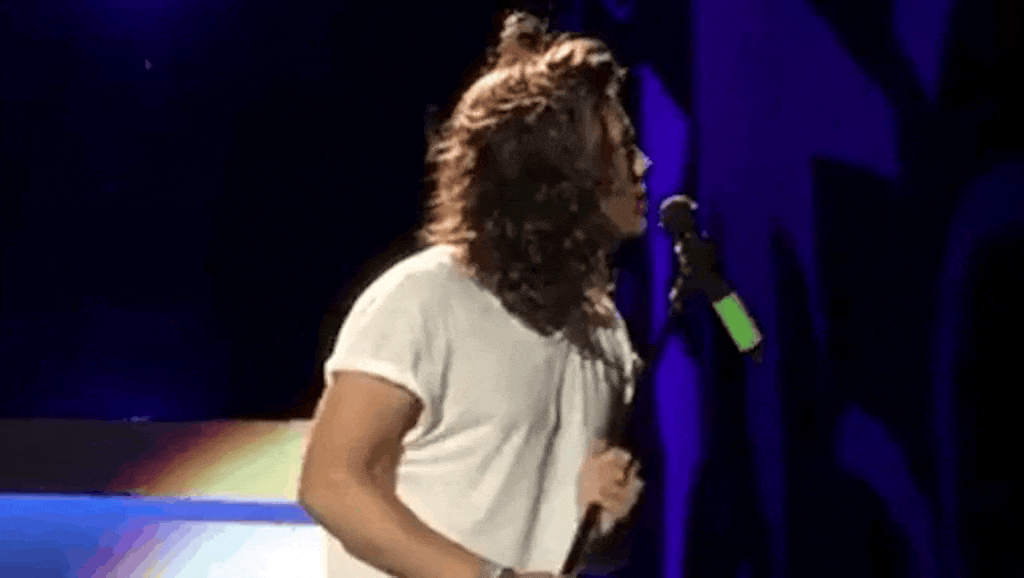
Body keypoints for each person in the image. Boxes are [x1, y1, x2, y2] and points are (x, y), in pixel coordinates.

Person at [299, 10, 652, 578]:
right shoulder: (423, 300)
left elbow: (560, 544)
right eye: (622, 148)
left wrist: (600, 524)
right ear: (558, 175)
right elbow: (333, 484)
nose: (643, 165)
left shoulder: (603, 334)